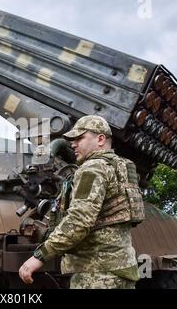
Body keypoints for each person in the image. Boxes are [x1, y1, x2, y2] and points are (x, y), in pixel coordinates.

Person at [19, 115, 144, 289]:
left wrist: (40, 256)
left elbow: (79, 221)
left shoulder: (92, 168)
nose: (73, 144)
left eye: (80, 138)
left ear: (100, 139)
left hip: (96, 275)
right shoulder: (122, 166)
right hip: (122, 268)